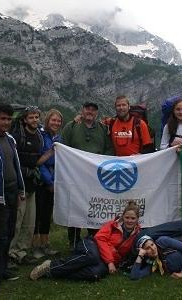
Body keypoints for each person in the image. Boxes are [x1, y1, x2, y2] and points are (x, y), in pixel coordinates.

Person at [29, 202, 142, 281]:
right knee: (92, 256)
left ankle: (52, 272)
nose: (129, 221)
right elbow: (100, 239)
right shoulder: (113, 225)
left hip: (106, 259)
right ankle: (50, 266)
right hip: (92, 245)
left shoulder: (138, 234)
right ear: (123, 216)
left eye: (133, 218)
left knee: (94, 274)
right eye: (127, 217)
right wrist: (110, 262)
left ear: (137, 219)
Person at [0, 103, 26, 291]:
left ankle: (2, 269)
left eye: (9, 119)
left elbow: (15, 165)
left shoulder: (10, 140)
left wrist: (20, 190)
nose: (6, 122)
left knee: (9, 232)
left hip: (11, 192)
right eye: (3, 118)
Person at [61, 102, 114, 247]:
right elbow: (63, 148)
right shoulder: (71, 127)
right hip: (75, 175)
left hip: (96, 176)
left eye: (93, 110)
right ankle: (74, 241)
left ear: (97, 113)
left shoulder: (103, 129)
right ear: (82, 111)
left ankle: (94, 239)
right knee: (75, 206)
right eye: (87, 109)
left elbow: (109, 150)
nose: (90, 112)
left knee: (95, 205)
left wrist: (102, 166)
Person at [8, 106, 43, 264]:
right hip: (19, 185)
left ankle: (21, 252)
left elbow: (37, 159)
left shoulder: (39, 136)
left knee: (29, 221)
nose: (35, 120)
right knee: (17, 220)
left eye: (36, 117)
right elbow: (11, 160)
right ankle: (10, 252)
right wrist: (26, 171)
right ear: (24, 119)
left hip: (32, 186)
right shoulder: (17, 136)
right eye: (31, 117)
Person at [31, 109, 63, 259]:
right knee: (37, 214)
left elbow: (61, 161)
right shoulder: (41, 136)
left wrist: (55, 180)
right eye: (53, 120)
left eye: (58, 121)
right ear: (47, 121)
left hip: (53, 180)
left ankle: (45, 244)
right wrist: (49, 181)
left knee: (46, 214)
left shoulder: (58, 138)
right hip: (41, 181)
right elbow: (39, 162)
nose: (56, 123)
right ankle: (35, 246)